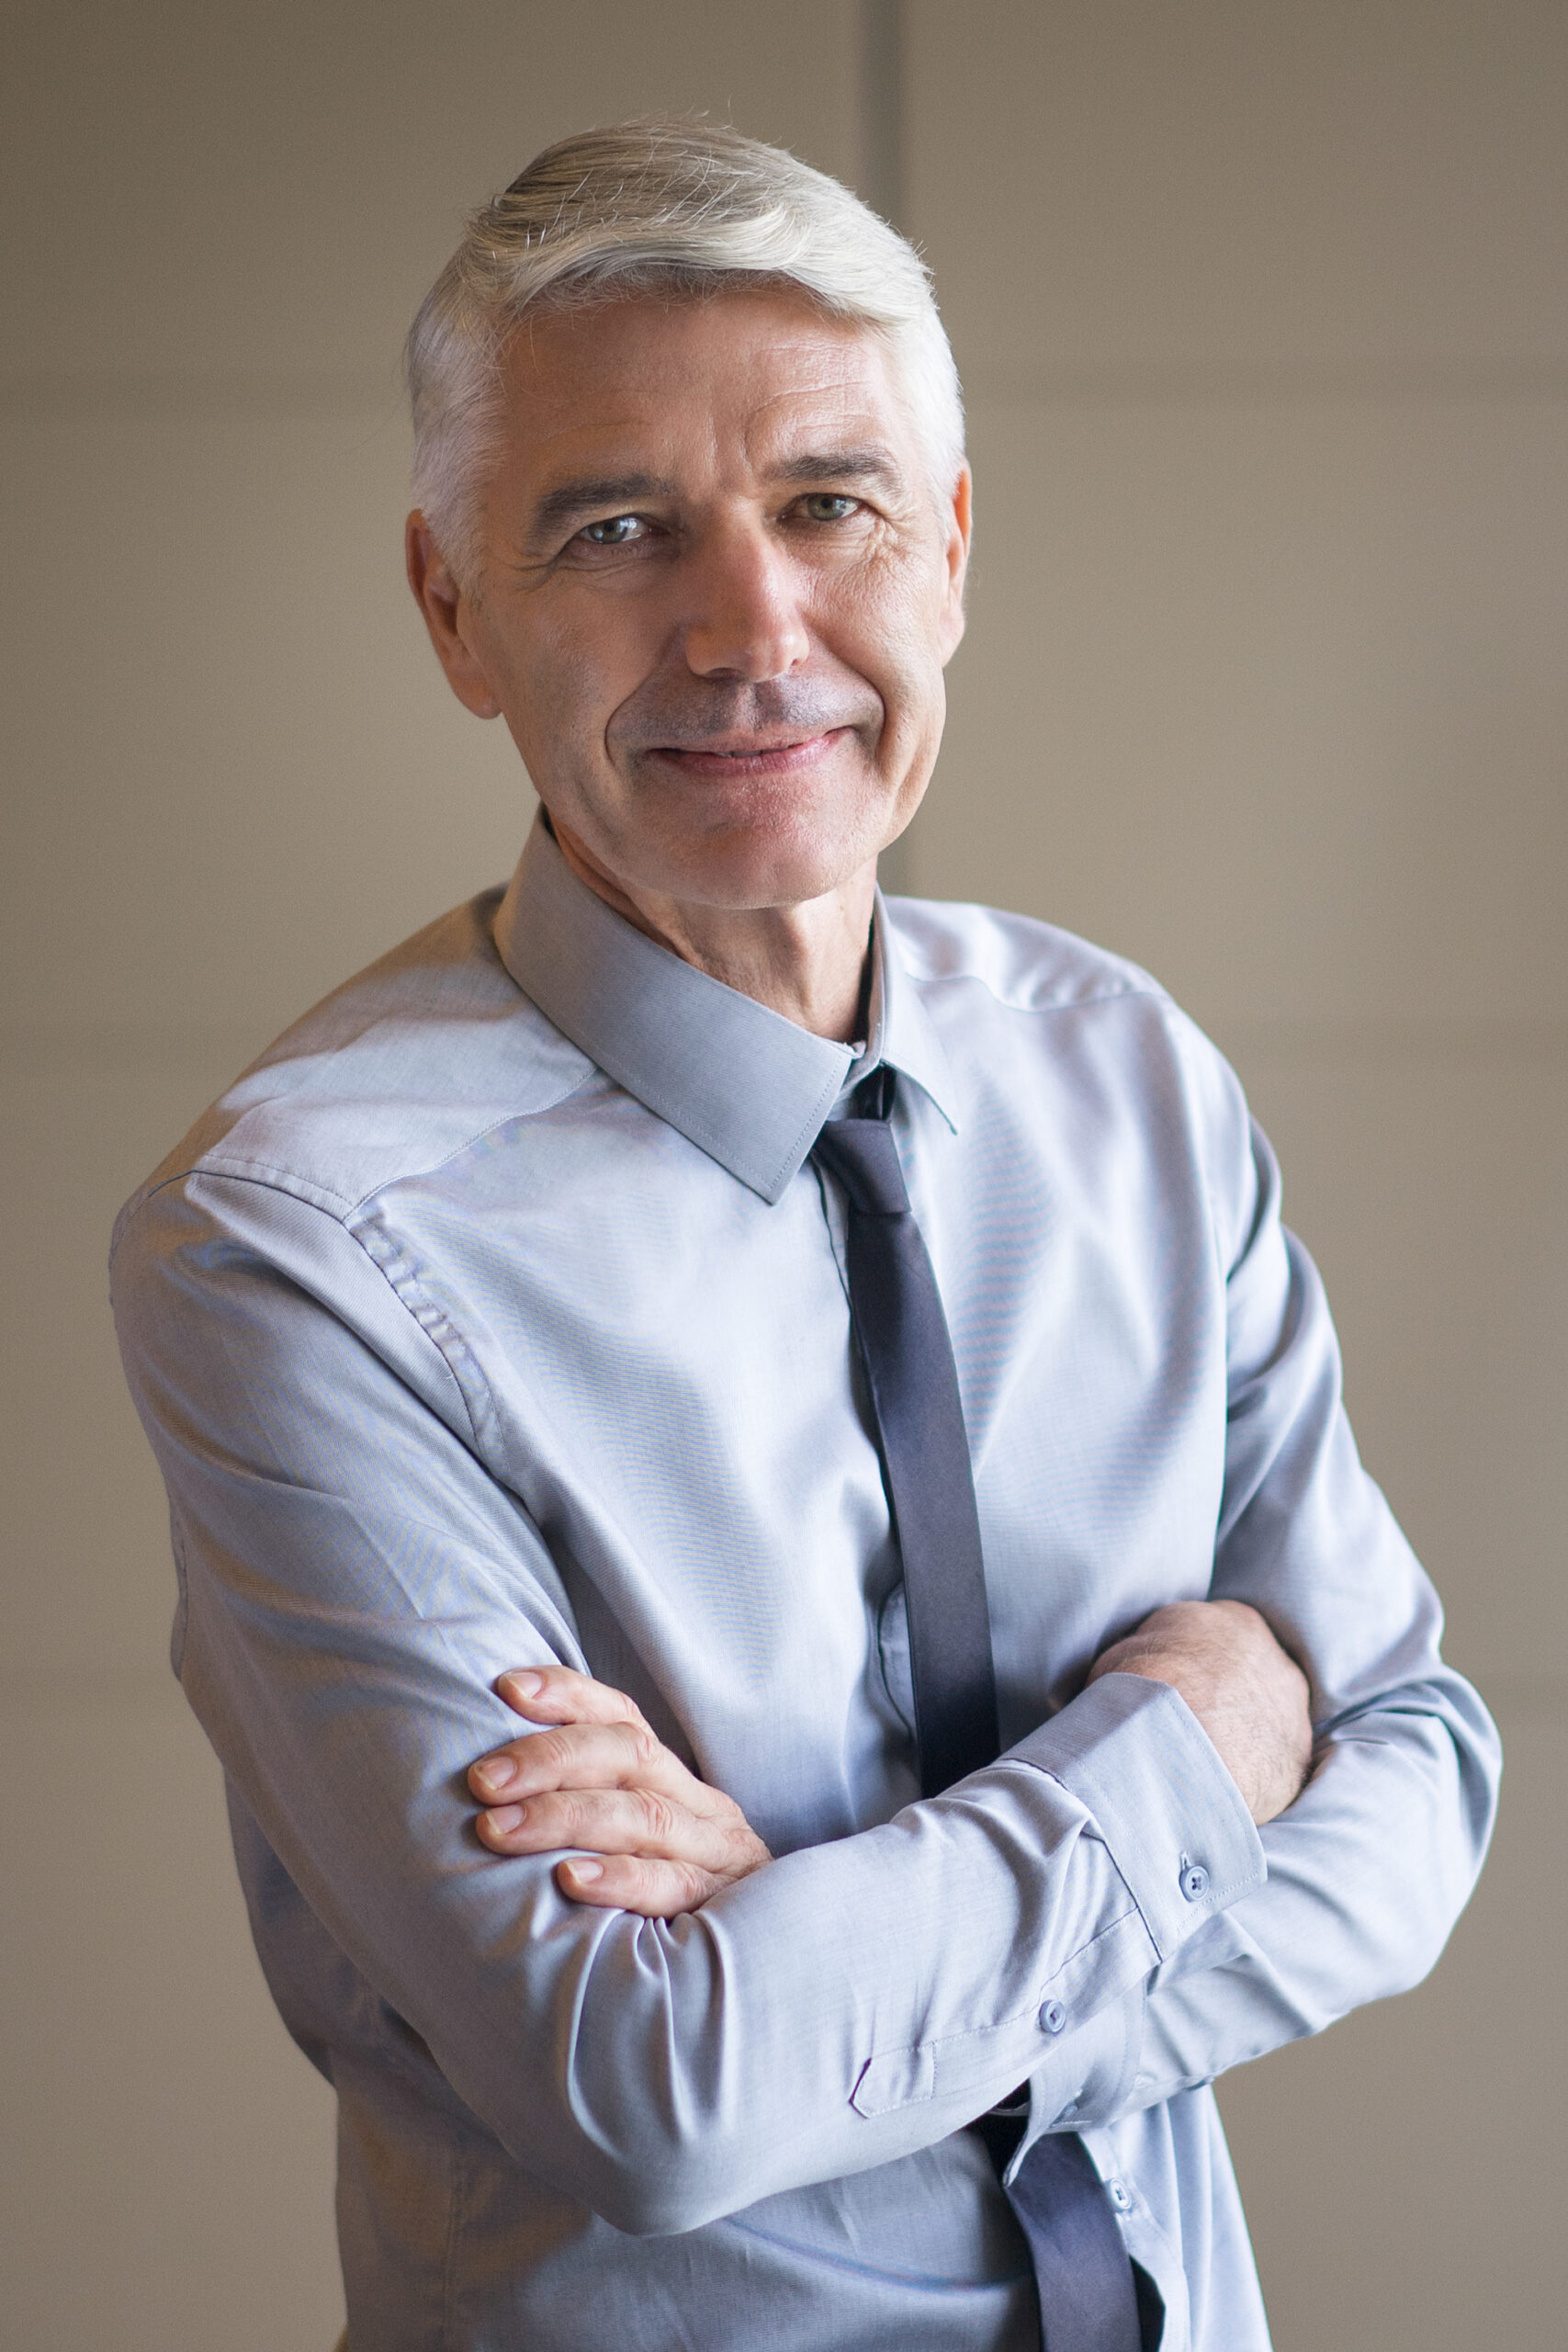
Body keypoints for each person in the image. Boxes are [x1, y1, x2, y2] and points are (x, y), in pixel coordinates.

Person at [111, 122, 1499, 2352]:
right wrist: (1189, 1748)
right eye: (615, 526)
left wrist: (842, 1953)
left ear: (946, 551)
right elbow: (650, 2083)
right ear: (451, 604)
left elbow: (1417, 1768)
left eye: (830, 504)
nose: (750, 629)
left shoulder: (1121, 1070)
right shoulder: (289, 1242)